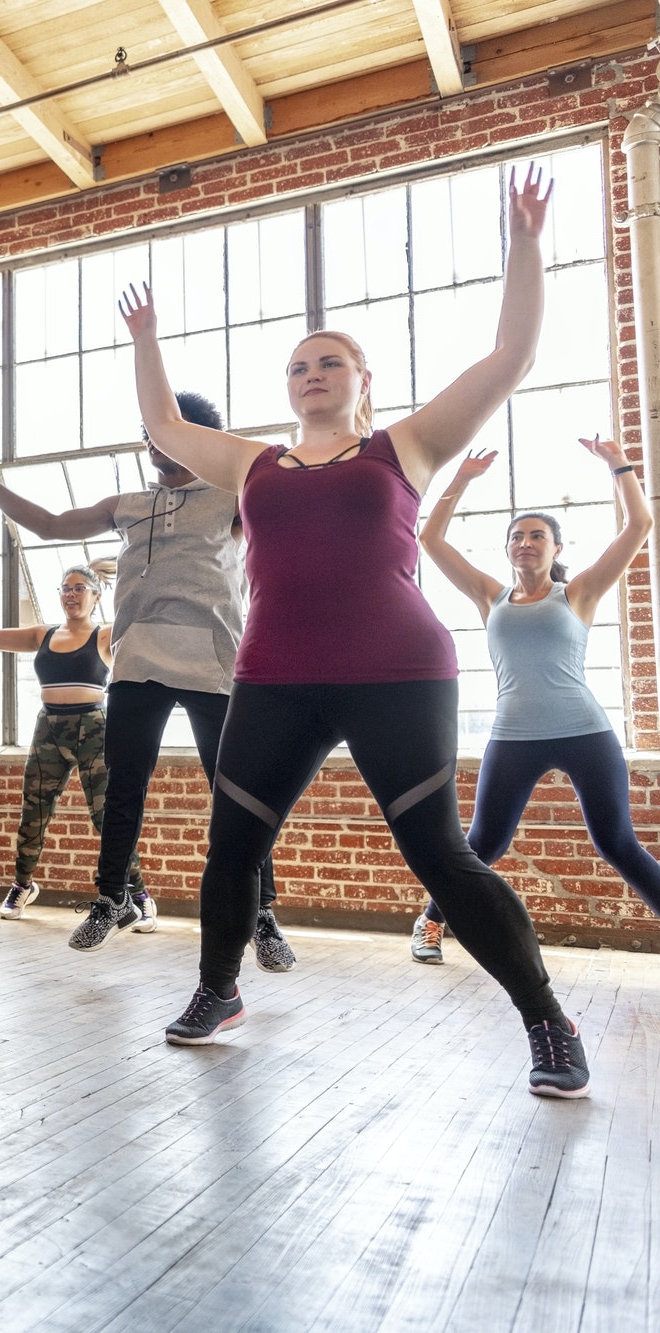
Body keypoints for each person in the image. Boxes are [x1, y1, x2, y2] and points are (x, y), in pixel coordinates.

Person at [122, 165, 589, 1098]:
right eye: (298, 365)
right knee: (230, 847)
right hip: (276, 676)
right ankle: (219, 988)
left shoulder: (401, 447)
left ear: (362, 380)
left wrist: (526, 243)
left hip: (398, 673)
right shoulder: (253, 463)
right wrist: (148, 339)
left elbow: (510, 358)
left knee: (443, 859)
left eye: (328, 361)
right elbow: (164, 424)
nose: (310, 374)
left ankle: (548, 1019)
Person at [0, 397, 293, 964]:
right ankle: (112, 899)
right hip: (138, 666)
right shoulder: (129, 505)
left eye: (165, 434)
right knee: (123, 790)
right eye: (147, 434)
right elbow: (50, 525)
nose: (153, 444)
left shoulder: (235, 500)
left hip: (214, 666)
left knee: (237, 792)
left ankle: (262, 914)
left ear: (197, 438)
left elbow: (293, 498)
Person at [411, 438, 656, 963]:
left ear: (556, 549)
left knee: (616, 843)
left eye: (538, 535)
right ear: (507, 549)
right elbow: (429, 537)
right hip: (514, 736)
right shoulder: (490, 595)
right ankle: (430, 921)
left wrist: (620, 465)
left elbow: (638, 526)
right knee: (484, 844)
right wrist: (461, 482)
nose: (526, 542)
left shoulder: (579, 593)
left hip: (585, 731)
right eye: (517, 536)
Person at [0, 559, 151, 925]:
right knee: (34, 811)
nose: (71, 594)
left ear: (95, 596)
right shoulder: (42, 635)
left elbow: (138, 621)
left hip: (94, 729)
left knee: (108, 817)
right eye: (66, 588)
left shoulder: (105, 635)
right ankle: (21, 886)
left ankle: (138, 892)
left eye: (80, 588)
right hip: (49, 729)